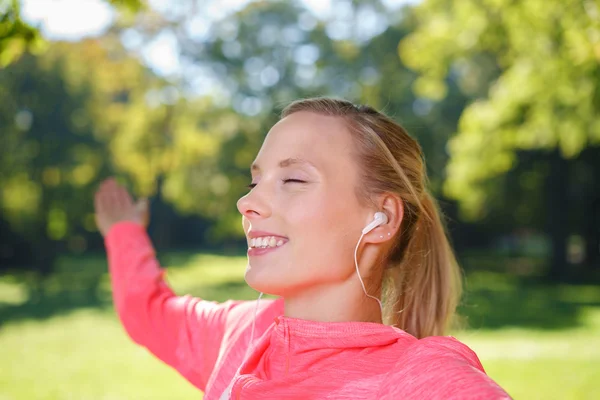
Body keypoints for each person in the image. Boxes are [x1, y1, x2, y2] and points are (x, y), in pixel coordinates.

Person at [94, 97, 510, 399]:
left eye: (293, 180)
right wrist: (124, 232)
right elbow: (148, 312)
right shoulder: (238, 335)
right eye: (254, 182)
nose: (247, 202)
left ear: (382, 216)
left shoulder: (422, 382)